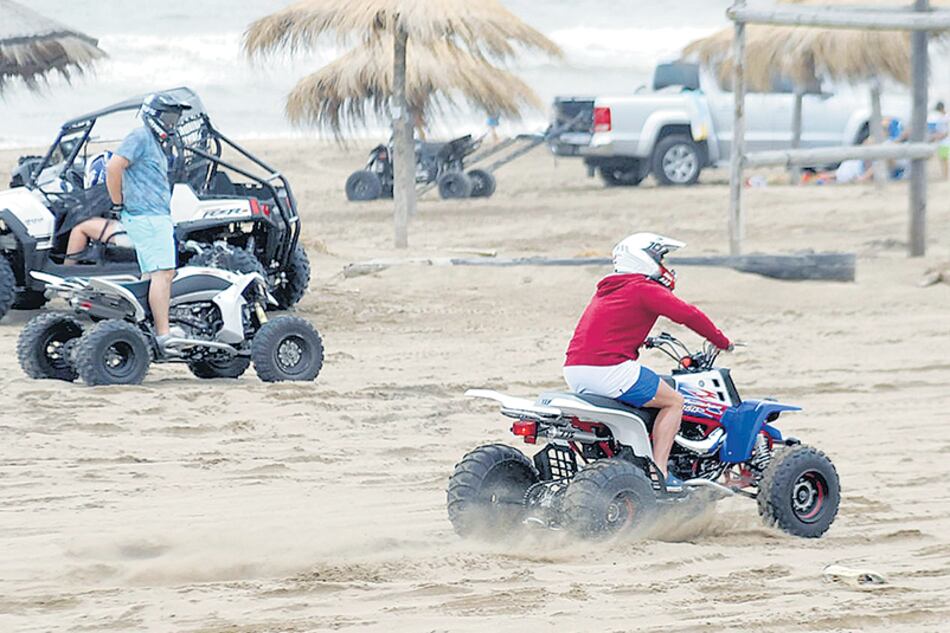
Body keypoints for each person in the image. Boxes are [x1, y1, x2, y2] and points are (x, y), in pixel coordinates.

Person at [563, 233, 731, 492]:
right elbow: (688, 315)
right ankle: (661, 472)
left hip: (576, 370)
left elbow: (609, 327)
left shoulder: (610, 288)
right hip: (609, 370)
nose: (663, 264)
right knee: (674, 401)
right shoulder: (642, 288)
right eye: (660, 257)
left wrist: (639, 339)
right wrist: (721, 341)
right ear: (644, 258)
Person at [105, 93, 191, 348]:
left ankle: (148, 327)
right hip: (148, 216)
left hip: (154, 216)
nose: (172, 123)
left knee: (152, 274)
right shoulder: (140, 136)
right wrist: (118, 202)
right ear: (154, 116)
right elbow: (113, 167)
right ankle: (163, 333)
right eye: (168, 117)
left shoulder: (153, 141)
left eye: (175, 118)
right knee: (164, 273)